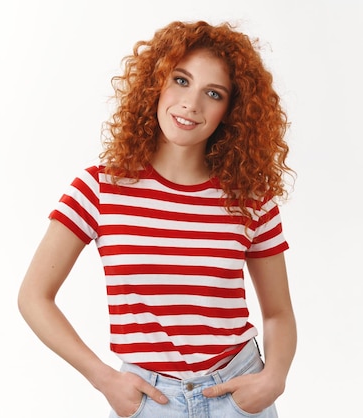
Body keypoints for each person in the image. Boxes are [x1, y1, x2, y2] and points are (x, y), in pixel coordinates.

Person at [18, 20, 296, 418]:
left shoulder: (251, 200)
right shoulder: (99, 188)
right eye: (181, 81)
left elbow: (278, 313)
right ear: (156, 83)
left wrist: (275, 379)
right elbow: (33, 297)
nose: (191, 104)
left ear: (230, 111)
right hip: (148, 400)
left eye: (212, 93)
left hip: (237, 393)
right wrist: (104, 379)